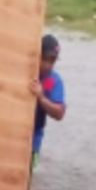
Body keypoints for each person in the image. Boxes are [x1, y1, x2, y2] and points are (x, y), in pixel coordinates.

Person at [29, 34, 66, 170]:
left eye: (52, 61)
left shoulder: (52, 81)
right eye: (45, 59)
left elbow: (60, 113)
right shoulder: (25, 72)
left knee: (28, 176)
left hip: (34, 142)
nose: (48, 65)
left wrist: (41, 97)